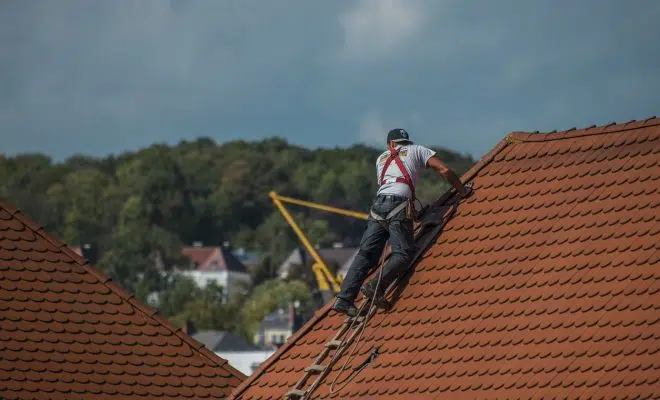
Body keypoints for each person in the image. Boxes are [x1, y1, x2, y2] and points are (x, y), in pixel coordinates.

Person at [331, 128, 472, 317]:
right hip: (398, 205)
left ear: (390, 144)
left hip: (378, 207)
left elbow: (390, 182)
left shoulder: (380, 159)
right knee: (403, 253)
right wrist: (462, 191)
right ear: (405, 142)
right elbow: (444, 170)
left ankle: (344, 299)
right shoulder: (417, 150)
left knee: (366, 255)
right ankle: (375, 286)